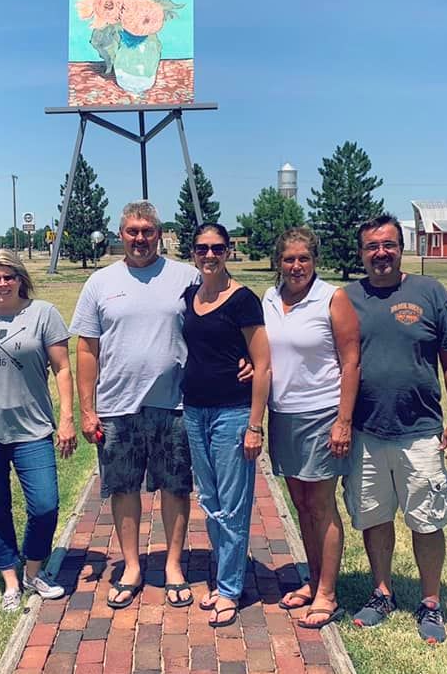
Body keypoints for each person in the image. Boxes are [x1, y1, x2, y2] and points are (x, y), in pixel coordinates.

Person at [70, 201, 251, 610]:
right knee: (123, 488)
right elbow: (87, 349)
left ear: (159, 233)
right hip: (117, 405)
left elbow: (226, 309)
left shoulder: (186, 275)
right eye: (132, 231)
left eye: (147, 231)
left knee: (175, 488)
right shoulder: (100, 283)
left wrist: (247, 355)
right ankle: (132, 566)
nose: (139, 238)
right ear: (121, 234)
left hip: (177, 403)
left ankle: (173, 565)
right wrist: (87, 409)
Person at [343, 214, 447, 644]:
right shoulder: (347, 298)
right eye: (372, 246)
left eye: (389, 245)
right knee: (374, 516)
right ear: (361, 252)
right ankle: (382, 593)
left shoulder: (430, 292)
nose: (381, 253)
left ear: (401, 248)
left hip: (419, 430)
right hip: (366, 431)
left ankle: (430, 601)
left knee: (427, 520)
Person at [0, 249, 75, 611]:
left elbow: (63, 369)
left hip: (31, 427)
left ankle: (33, 571)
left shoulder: (44, 314)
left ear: (21, 278)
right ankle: (10, 579)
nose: (2, 283)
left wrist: (67, 417)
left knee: (44, 505)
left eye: (9, 276)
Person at [263, 227, 360, 629]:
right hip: (282, 414)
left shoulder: (332, 298)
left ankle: (328, 594)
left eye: (304, 258)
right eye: (289, 259)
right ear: (278, 262)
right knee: (300, 505)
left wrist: (343, 420)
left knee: (321, 506)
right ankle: (313, 578)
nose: (296, 265)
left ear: (314, 261)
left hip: (322, 414)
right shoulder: (270, 299)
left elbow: (351, 361)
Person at [181, 223, 271, 628]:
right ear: (194, 253)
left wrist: (255, 425)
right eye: (202, 248)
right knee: (210, 502)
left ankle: (230, 589)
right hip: (194, 411)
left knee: (233, 506)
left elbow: (263, 364)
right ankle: (222, 578)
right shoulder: (189, 296)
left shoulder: (244, 301)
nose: (210, 255)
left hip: (233, 413)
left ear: (229, 252)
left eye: (218, 248)